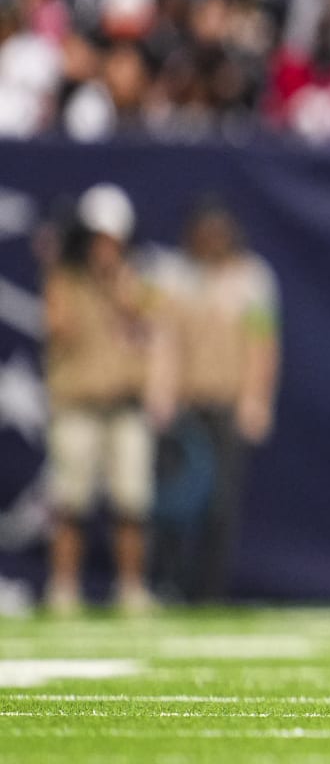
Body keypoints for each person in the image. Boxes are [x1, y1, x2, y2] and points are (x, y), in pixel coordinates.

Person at [147, 200, 281, 603]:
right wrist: (161, 393)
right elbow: (162, 340)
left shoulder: (252, 279)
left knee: (220, 506)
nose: (213, 241)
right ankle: (168, 583)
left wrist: (256, 399)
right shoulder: (173, 275)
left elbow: (262, 345)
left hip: (225, 403)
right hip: (186, 404)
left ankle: (209, 591)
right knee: (173, 502)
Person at [41, 184, 157, 615]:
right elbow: (59, 328)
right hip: (78, 404)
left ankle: (131, 590)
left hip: (125, 404)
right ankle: (64, 590)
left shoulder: (135, 277)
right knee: (70, 503)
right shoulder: (64, 279)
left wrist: (115, 285)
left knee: (132, 504)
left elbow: (147, 324)